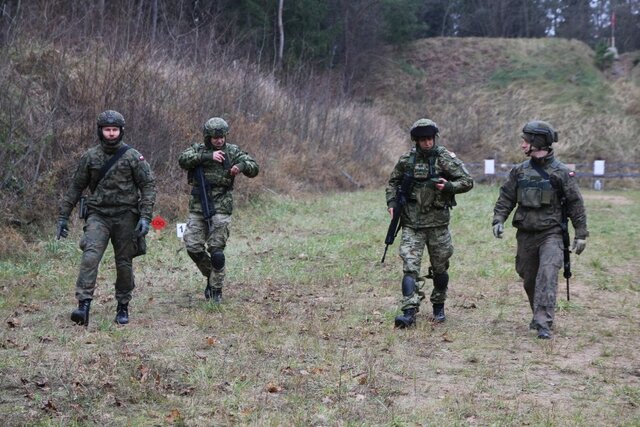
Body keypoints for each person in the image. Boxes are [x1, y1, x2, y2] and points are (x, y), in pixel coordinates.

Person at [57, 110, 156, 326]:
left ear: (121, 131)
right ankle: (83, 306)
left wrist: (146, 217)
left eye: (114, 130)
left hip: (126, 216)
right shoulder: (90, 157)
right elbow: (76, 187)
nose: (111, 134)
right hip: (98, 215)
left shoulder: (133, 157)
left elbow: (148, 186)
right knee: (90, 257)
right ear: (100, 131)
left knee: (124, 263)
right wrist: (63, 217)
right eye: (107, 130)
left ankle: (123, 305)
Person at [492, 120, 588, 339]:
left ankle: (544, 321)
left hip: (551, 234)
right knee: (529, 277)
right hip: (525, 234)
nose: (522, 145)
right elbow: (507, 197)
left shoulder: (561, 172)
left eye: (525, 141)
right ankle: (538, 313)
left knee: (547, 275)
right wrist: (498, 219)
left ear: (537, 142)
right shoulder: (519, 171)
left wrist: (581, 234)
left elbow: (575, 203)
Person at [386, 118, 474, 328]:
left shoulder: (444, 158)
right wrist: (391, 203)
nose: (427, 143)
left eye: (430, 139)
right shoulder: (407, 159)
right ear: (416, 140)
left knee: (440, 267)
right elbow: (393, 182)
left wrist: (449, 186)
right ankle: (409, 311)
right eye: (423, 139)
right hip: (412, 224)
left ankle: (438, 305)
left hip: (437, 224)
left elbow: (467, 181)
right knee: (410, 267)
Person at [178, 117, 259, 303]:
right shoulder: (198, 150)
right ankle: (212, 276)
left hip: (222, 205)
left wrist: (240, 166)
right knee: (192, 246)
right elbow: (183, 160)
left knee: (216, 250)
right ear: (207, 137)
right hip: (199, 205)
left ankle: (216, 290)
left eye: (221, 137)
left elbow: (254, 167)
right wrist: (208, 157)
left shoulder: (232, 151)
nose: (219, 141)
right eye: (215, 138)